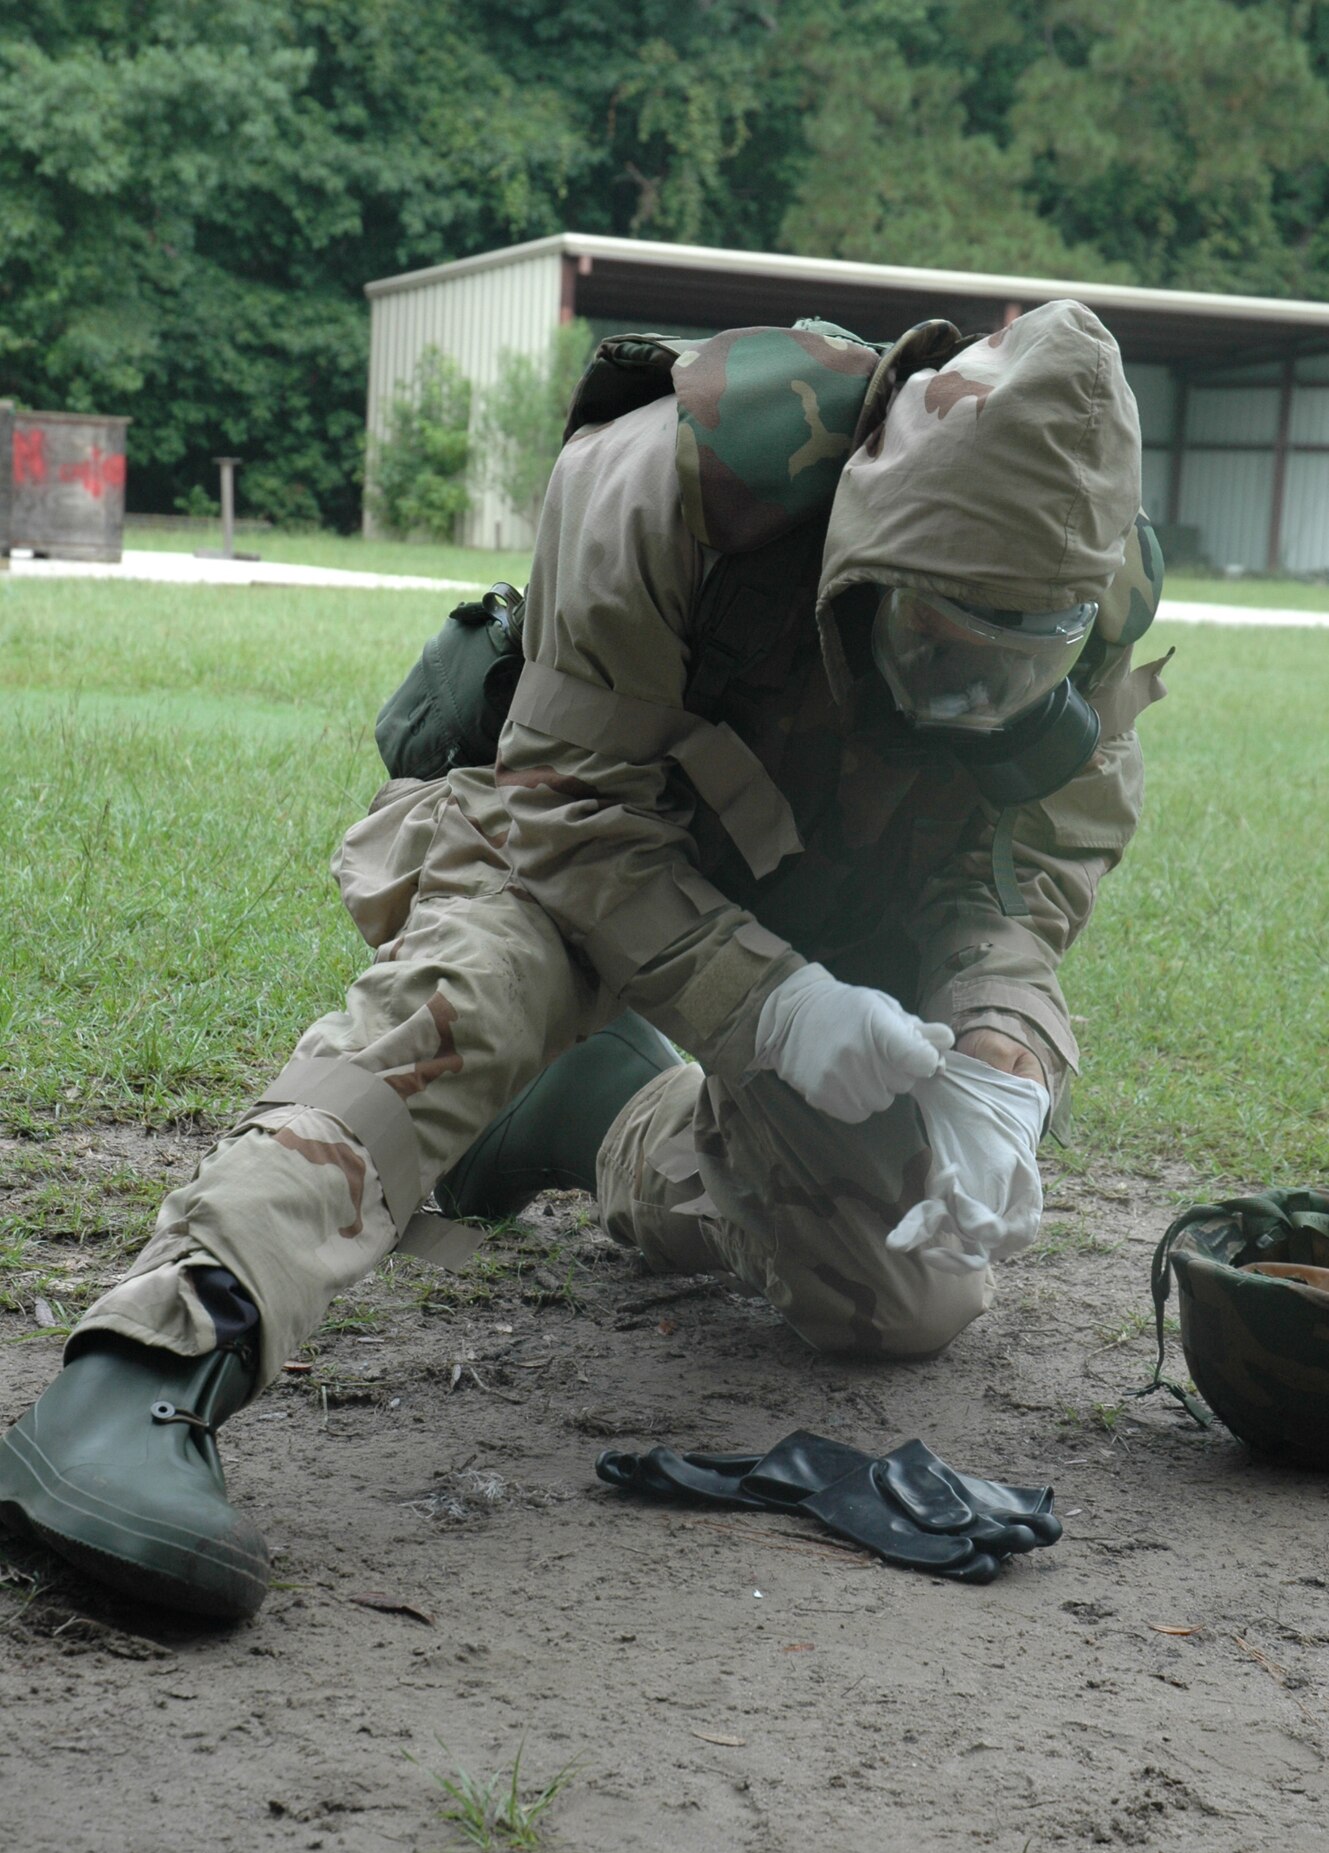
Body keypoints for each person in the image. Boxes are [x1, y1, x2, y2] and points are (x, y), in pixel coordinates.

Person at [0, 299, 1166, 1619]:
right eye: (931, 643)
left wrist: (1000, 1059)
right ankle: (141, 1375)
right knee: (463, 1008)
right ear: (870, 539)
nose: (966, 701)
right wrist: (770, 1008)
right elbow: (564, 804)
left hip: (822, 896)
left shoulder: (1095, 593)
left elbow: (1031, 863)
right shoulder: (679, 474)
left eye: (1012, 667)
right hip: (583, 832)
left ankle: (601, 1113)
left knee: (902, 1292)